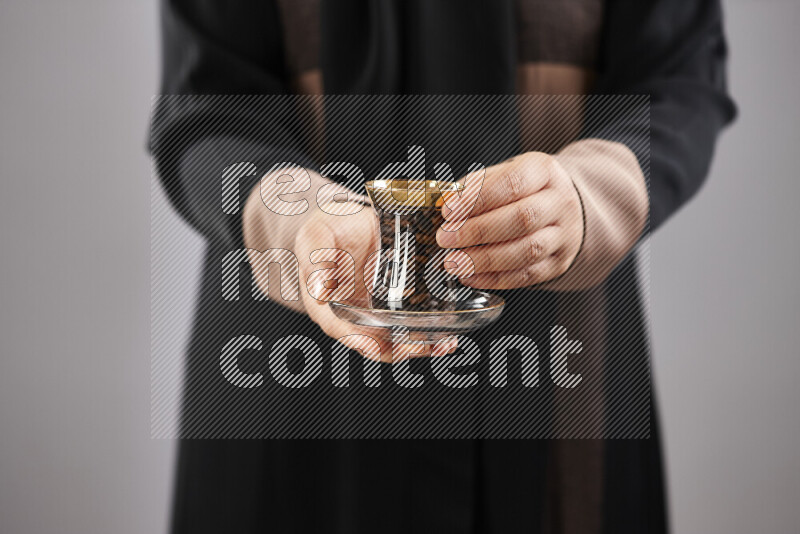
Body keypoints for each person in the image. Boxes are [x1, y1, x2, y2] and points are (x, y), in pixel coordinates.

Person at [151, 0, 735, 532]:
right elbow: (207, 101)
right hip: (290, 372)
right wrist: (297, 220)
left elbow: (679, 76)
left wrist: (589, 197)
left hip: (564, 363)